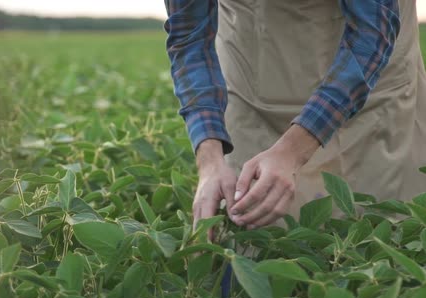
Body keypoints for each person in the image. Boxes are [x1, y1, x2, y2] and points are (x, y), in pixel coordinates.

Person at [164, 0, 426, 233]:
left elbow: (372, 32)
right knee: (256, 239)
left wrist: (292, 150)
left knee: (369, 230)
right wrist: (209, 159)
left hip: (368, 81)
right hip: (250, 69)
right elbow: (188, 37)